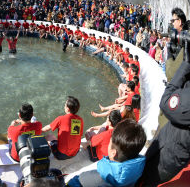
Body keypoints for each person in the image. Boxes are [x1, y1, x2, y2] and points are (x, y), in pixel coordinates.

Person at [139, 51, 190, 185]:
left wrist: (185, 64)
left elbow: (166, 103)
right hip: (173, 145)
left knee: (148, 177)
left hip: (170, 154)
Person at [68, 119, 147, 187]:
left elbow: (75, 182)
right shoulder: (139, 167)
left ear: (113, 153)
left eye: (110, 142)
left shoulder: (101, 176)